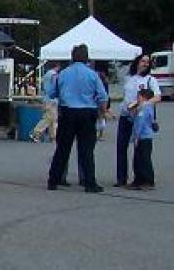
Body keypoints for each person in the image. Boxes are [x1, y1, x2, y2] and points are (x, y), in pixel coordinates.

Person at [46, 43, 108, 193]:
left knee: (62, 148)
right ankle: (89, 182)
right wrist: (102, 113)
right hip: (87, 112)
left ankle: (53, 180)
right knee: (86, 149)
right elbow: (102, 96)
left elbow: (52, 93)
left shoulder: (63, 74)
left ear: (72, 57)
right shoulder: (93, 75)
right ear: (87, 58)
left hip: (67, 112)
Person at [116, 54, 161, 186]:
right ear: (137, 62)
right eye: (143, 61)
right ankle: (121, 178)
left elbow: (157, 97)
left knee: (140, 148)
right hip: (126, 116)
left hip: (139, 117)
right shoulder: (128, 78)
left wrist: (143, 104)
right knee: (121, 147)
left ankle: (142, 177)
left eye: (148, 62)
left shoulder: (150, 80)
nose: (145, 64)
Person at [127, 87, 158, 190]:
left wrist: (135, 137)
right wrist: (132, 111)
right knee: (138, 159)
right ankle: (139, 180)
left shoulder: (144, 108)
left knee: (143, 159)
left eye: (139, 96)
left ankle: (148, 180)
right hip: (144, 136)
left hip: (143, 137)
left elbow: (139, 123)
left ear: (144, 97)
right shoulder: (146, 107)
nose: (137, 98)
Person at [30, 62, 60, 143]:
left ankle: (53, 137)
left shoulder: (47, 74)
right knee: (48, 118)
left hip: (47, 99)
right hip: (52, 100)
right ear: (56, 67)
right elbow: (56, 87)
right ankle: (36, 133)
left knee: (52, 119)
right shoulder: (54, 75)